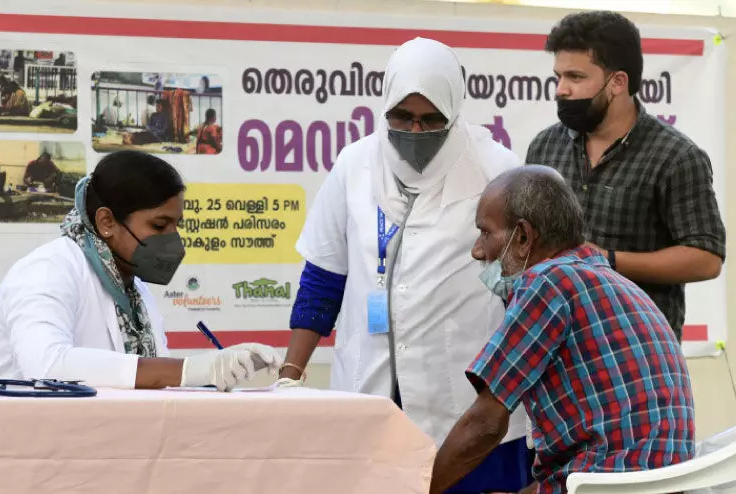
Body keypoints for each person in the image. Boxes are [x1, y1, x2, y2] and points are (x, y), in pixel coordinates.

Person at [277, 37, 532, 493]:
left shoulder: (497, 168)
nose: (415, 131)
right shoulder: (354, 164)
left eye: (431, 120)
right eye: (403, 117)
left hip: (467, 403)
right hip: (369, 392)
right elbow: (323, 278)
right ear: (385, 105)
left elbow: (527, 285)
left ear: (455, 110)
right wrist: (289, 376)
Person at [429, 165, 694, 494]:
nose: (478, 251)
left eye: (485, 232)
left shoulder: (547, 282)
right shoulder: (613, 282)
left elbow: (485, 422)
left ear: (523, 237)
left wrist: (419, 490)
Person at [0, 150, 282, 390]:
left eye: (177, 226)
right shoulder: (48, 270)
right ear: (107, 222)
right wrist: (191, 369)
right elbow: (47, 365)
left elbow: (154, 380)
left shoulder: (134, 289)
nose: (172, 239)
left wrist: (225, 366)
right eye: (160, 225)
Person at [525, 10, 726, 341]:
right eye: (557, 77)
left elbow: (706, 259)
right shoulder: (545, 147)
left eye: (575, 77)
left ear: (618, 82)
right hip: (556, 348)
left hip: (635, 357)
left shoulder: (675, 157)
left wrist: (606, 260)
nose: (561, 89)